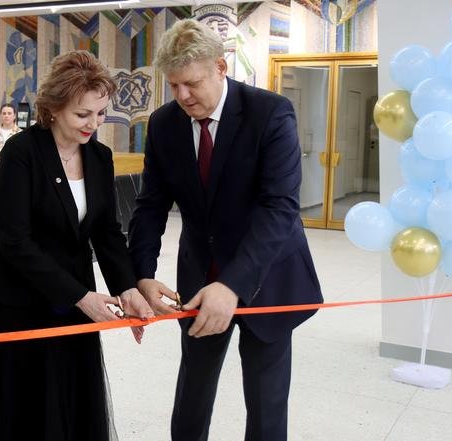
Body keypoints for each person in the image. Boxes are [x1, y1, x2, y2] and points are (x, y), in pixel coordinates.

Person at [128, 19, 324, 441]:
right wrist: (142, 274)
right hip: (199, 276)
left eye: (192, 83)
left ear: (220, 67)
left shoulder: (270, 114)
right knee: (192, 394)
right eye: (174, 85)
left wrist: (233, 285)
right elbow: (151, 205)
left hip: (267, 277)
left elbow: (279, 208)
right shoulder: (163, 124)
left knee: (267, 403)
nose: (183, 96)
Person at [0, 50, 154, 441]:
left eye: (100, 113)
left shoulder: (99, 156)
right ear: (54, 108)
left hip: (74, 295)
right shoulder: (21, 152)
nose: (94, 124)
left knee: (68, 398)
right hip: (17, 298)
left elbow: (106, 232)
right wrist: (81, 297)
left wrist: (128, 289)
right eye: (82, 114)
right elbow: (15, 241)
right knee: (19, 406)